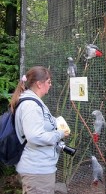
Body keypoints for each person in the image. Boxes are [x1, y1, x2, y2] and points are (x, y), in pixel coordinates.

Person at [9, 66, 70, 194]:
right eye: (49, 82)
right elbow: (35, 136)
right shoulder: (31, 106)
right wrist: (59, 134)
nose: (51, 85)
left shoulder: (34, 102)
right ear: (39, 84)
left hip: (39, 169)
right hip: (37, 171)